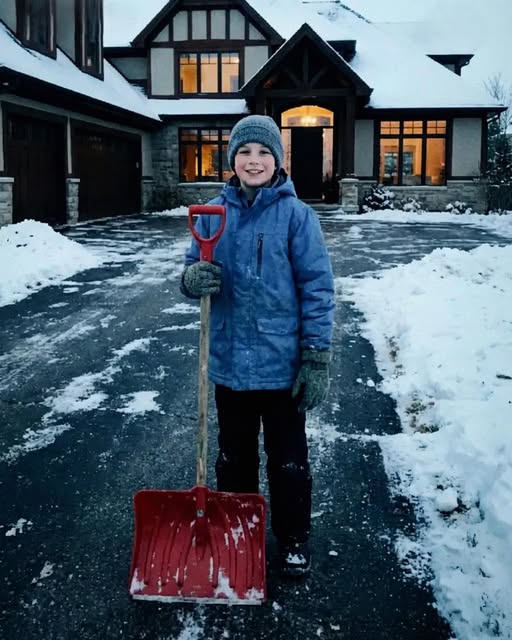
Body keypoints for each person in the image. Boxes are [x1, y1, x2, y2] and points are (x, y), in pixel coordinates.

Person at [180, 114, 335, 577]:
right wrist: (192, 280)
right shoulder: (213, 213)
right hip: (229, 363)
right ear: (232, 159)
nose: (254, 161)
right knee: (234, 460)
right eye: (245, 152)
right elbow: (192, 266)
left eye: (264, 152)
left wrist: (316, 357)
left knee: (288, 461)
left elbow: (317, 287)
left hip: (282, 366)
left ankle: (293, 537)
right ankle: (238, 534)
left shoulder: (297, 216)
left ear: (278, 161)